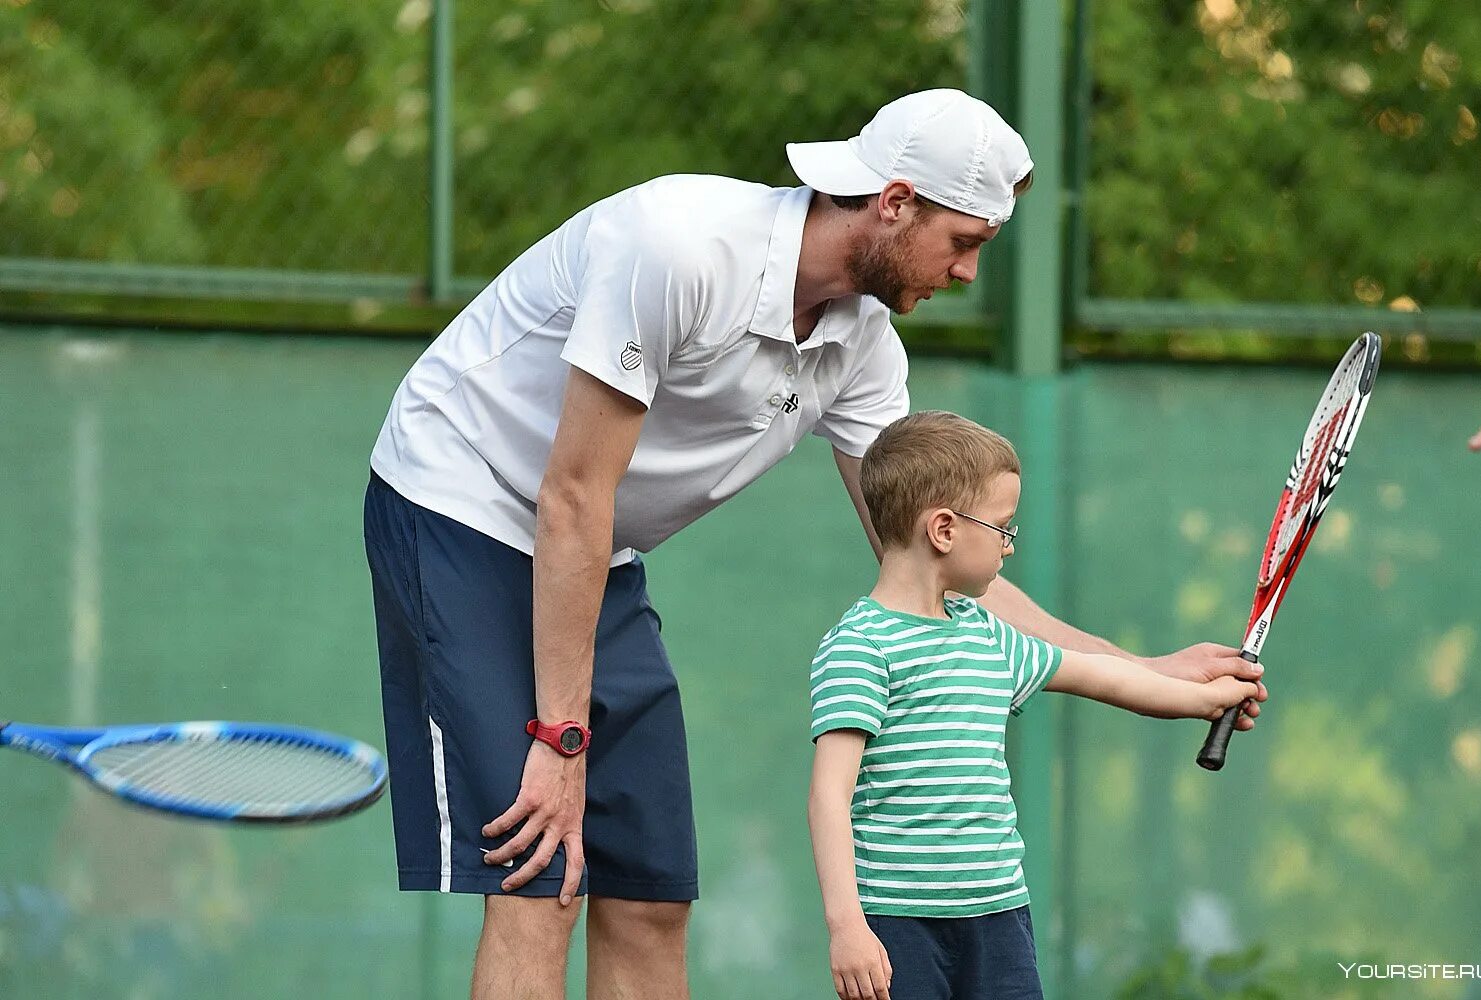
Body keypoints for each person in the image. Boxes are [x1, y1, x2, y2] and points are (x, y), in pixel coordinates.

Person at [362, 89, 1266, 1000]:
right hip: (462, 503)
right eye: (965, 243)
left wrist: (1145, 670)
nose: (965, 275)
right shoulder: (679, 246)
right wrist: (560, 737)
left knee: (648, 895)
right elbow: (572, 494)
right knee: (541, 877)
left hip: (599, 551)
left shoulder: (863, 344)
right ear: (896, 201)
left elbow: (938, 561)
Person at [806, 411, 1262, 1000]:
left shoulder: (986, 634)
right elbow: (828, 796)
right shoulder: (859, 647)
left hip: (1000, 919)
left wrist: (1211, 696)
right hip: (894, 926)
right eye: (1002, 527)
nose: (1009, 546)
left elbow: (1108, 677)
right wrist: (848, 928)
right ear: (943, 530)